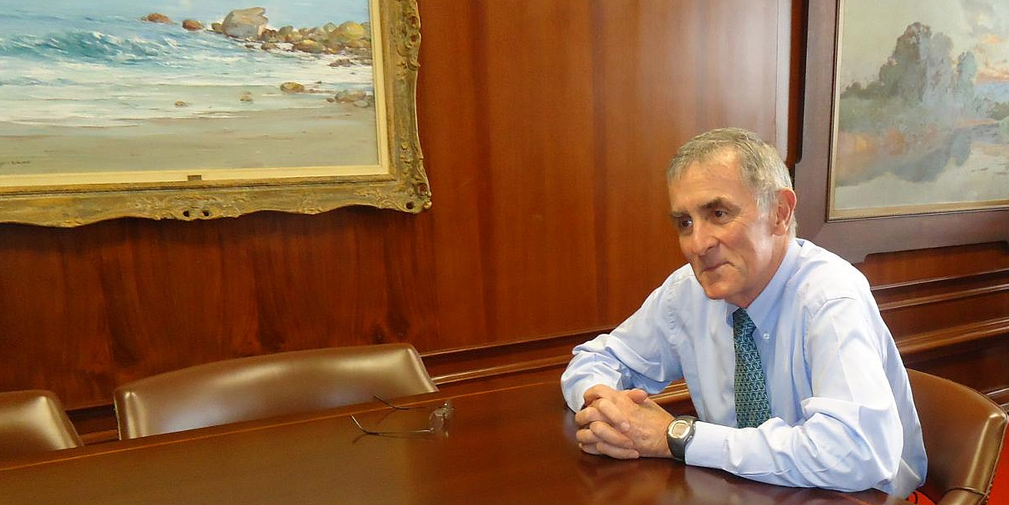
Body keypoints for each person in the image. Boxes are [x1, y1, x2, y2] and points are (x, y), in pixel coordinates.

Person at [560, 127, 927, 498]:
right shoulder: (687, 292)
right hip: (740, 491)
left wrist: (681, 437)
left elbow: (857, 453)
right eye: (685, 223)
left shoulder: (830, 297)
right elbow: (596, 360)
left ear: (780, 213)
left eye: (718, 213)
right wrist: (607, 408)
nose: (698, 244)